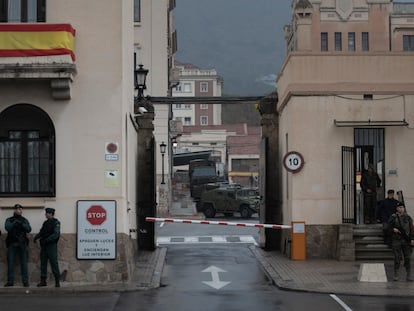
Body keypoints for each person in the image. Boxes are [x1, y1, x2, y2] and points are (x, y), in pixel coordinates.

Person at [4, 204, 32, 287]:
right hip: (12, 244)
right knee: (10, 263)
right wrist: (14, 223)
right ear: (14, 210)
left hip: (22, 244)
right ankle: (10, 281)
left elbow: (29, 229)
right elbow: (7, 227)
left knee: (24, 263)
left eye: (20, 209)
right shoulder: (9, 219)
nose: (19, 210)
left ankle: (25, 281)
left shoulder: (24, 220)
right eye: (17, 209)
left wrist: (21, 224)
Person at [34, 207, 61, 288]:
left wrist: (47, 240)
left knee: (54, 263)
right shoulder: (45, 223)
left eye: (47, 213)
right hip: (44, 246)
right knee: (43, 263)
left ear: (51, 214)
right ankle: (43, 281)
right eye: (46, 213)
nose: (45, 214)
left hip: (51, 245)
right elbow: (42, 232)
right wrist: (37, 237)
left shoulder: (56, 222)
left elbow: (56, 234)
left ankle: (57, 281)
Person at [388, 202, 414, 281]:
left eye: (402, 207)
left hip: (406, 241)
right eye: (400, 207)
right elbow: (387, 227)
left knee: (408, 258)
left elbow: (412, 229)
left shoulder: (408, 217)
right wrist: (393, 229)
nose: (401, 208)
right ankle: (396, 274)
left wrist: (412, 239)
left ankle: (408, 275)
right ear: (397, 208)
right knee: (397, 258)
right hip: (396, 240)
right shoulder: (393, 217)